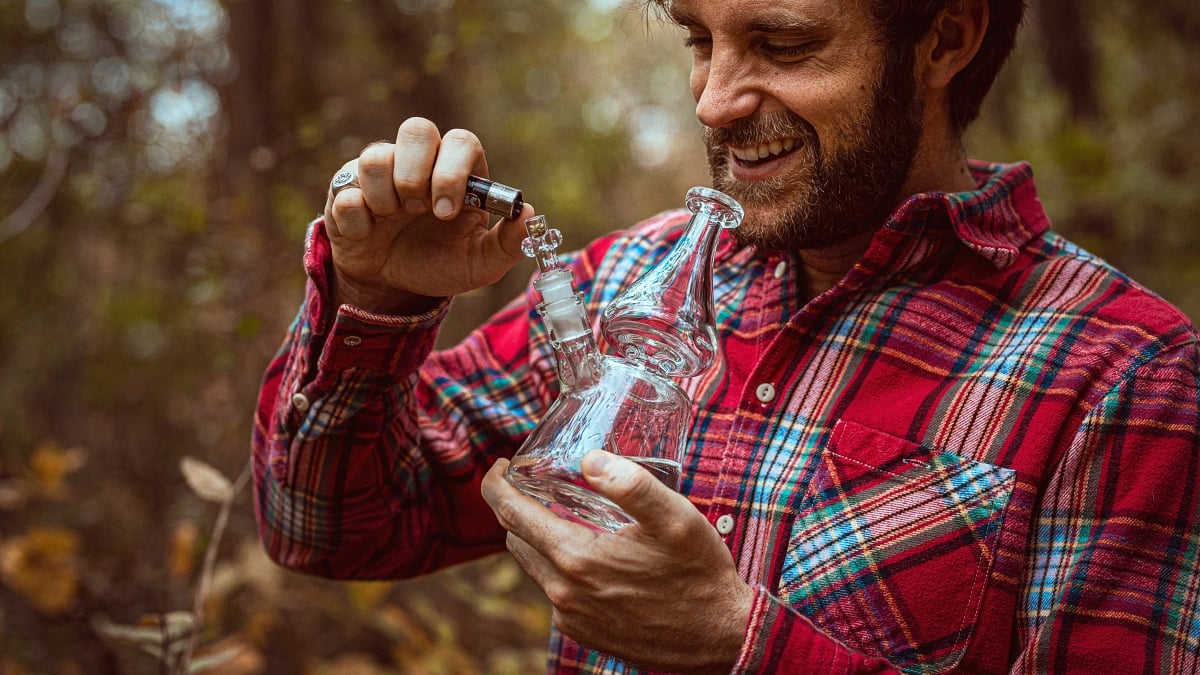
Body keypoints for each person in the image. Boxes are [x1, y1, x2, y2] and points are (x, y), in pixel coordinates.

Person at [252, 0, 1200, 672]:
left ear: (945, 36)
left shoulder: (1122, 374)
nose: (713, 100)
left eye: (782, 42)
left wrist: (739, 644)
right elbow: (329, 530)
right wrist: (374, 298)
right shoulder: (629, 284)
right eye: (701, 38)